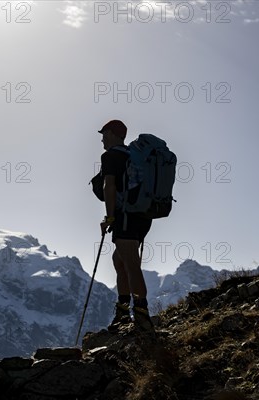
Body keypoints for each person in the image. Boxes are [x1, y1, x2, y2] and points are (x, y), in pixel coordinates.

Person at [96, 120, 154, 333]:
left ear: (111, 134)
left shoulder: (111, 156)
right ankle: (122, 310)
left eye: (104, 134)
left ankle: (141, 316)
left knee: (130, 263)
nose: (102, 138)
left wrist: (109, 217)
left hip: (126, 216)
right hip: (142, 216)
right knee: (119, 260)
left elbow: (108, 186)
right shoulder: (134, 156)